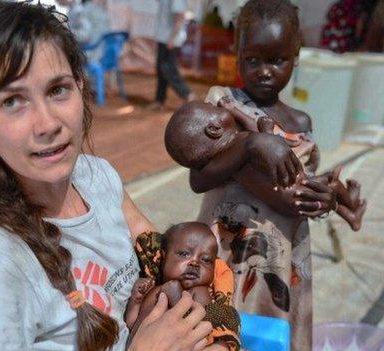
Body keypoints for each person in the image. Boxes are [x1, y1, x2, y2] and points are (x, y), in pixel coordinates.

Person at [0, 2, 212, 350]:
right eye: (12, 101)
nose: (48, 124)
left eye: (57, 90)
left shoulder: (98, 178)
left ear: (80, 85)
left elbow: (158, 253)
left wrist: (206, 258)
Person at [188, 0, 358, 349]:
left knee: (271, 336)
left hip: (279, 260)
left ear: (296, 56)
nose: (264, 71)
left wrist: (329, 197)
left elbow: (300, 188)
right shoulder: (223, 107)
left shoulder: (301, 124)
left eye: (277, 59)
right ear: (236, 55)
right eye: (252, 60)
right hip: (228, 253)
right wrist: (251, 145)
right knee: (220, 331)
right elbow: (199, 178)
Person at [165, 101, 366, 231]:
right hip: (295, 191)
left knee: (329, 186)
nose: (221, 107)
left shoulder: (228, 155)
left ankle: (350, 213)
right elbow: (266, 143)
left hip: (293, 195)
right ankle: (350, 204)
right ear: (215, 129)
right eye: (217, 109)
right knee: (331, 181)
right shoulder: (240, 146)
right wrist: (263, 130)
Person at [126, 222, 240, 350]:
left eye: (206, 260)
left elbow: (201, 329)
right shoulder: (152, 288)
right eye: (184, 254)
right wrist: (135, 302)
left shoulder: (199, 292)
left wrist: (176, 298)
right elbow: (132, 325)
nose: (195, 263)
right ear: (164, 256)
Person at [147, 0, 196, 110]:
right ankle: (159, 100)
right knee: (161, 69)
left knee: (168, 68)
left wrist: (172, 39)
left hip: (170, 39)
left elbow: (179, 17)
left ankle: (187, 94)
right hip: (163, 37)